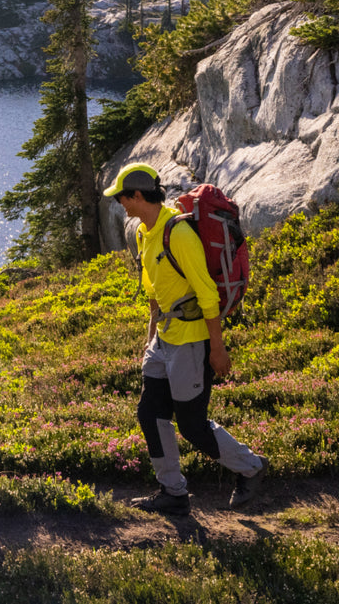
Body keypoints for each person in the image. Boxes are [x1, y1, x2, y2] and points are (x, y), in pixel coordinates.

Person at [105, 163, 268, 512]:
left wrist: (218, 349)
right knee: (151, 414)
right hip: (165, 340)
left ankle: (251, 468)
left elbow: (207, 295)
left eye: (122, 197)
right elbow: (154, 293)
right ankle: (173, 493)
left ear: (137, 196)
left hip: (192, 341)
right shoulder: (143, 233)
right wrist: (151, 340)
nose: (120, 203)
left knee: (192, 425)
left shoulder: (177, 234)